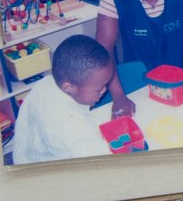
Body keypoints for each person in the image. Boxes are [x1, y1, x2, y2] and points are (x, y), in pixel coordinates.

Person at [12, 35, 113, 164]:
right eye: (98, 89)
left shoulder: (46, 83)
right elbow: (102, 160)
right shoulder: (70, 126)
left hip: (28, 155)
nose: (104, 90)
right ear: (68, 87)